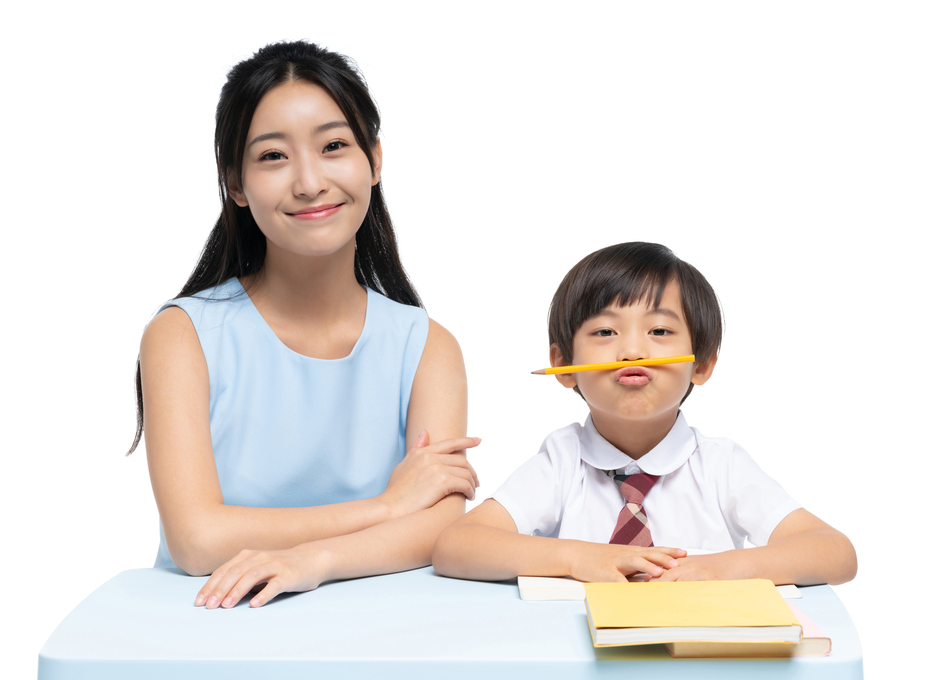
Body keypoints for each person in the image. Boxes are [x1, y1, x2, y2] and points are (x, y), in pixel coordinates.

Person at [133, 41, 480, 608]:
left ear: (374, 160)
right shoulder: (182, 335)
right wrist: (385, 509)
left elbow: (436, 530)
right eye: (273, 156)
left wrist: (310, 561)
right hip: (210, 629)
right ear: (236, 185)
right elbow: (197, 541)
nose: (310, 181)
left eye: (334, 146)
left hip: (381, 628)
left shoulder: (427, 347)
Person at [432, 242, 856, 586]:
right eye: (604, 332)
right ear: (562, 366)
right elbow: (457, 545)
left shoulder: (721, 465)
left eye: (659, 331)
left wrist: (727, 568)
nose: (633, 351)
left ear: (702, 363)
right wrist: (581, 557)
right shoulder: (562, 460)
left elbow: (835, 552)